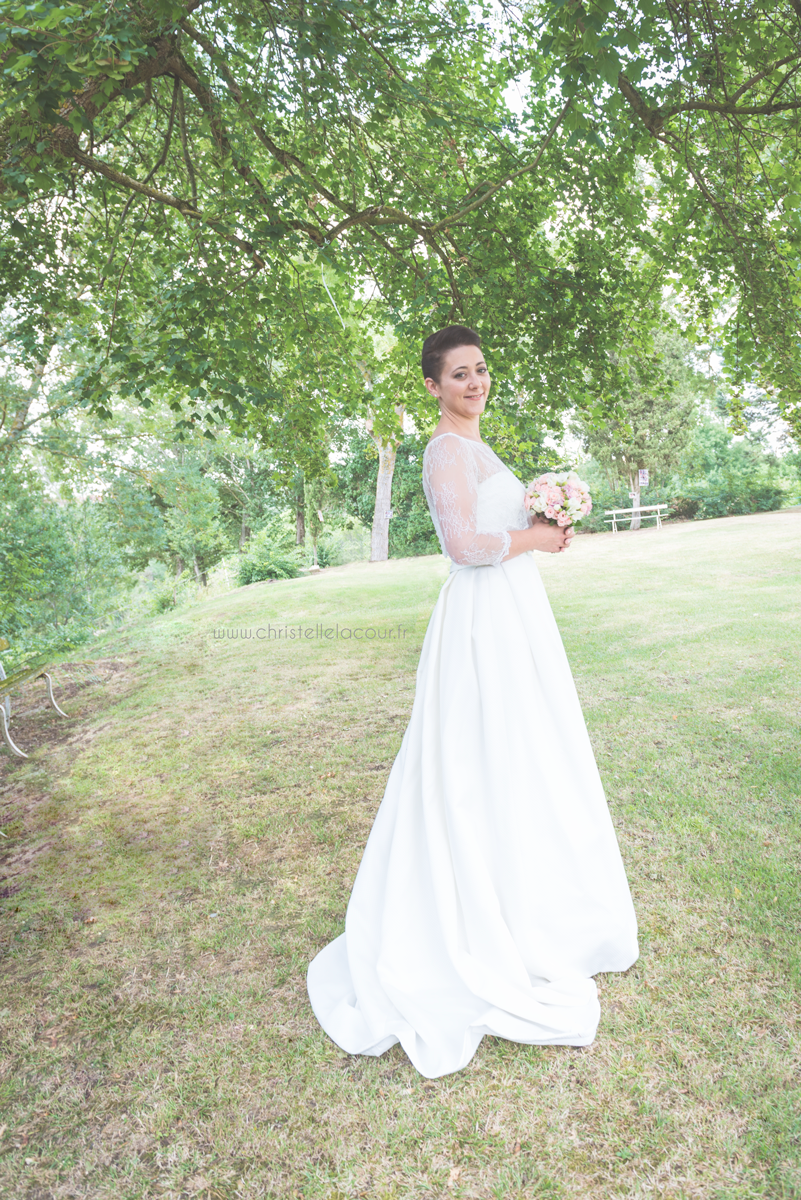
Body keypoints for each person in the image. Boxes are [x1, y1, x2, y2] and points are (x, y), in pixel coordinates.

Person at [307, 325, 638, 1079]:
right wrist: (538, 539)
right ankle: (472, 917)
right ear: (432, 386)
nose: (473, 383)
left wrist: (542, 528)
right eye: (458, 374)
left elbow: (497, 533)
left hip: (514, 614)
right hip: (480, 617)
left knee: (524, 751)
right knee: (474, 754)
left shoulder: (481, 448)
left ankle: (532, 900)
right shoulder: (442, 451)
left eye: (481, 370)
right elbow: (467, 545)